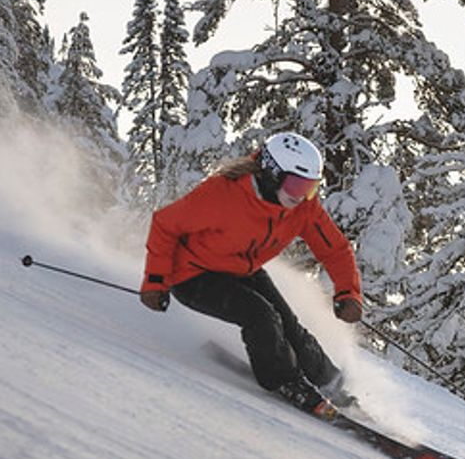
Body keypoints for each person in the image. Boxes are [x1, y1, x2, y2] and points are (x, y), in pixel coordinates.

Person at [139, 132, 363, 415]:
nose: (302, 195)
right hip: (193, 275)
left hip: (243, 270)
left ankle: (329, 383)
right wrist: (155, 281)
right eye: (296, 184)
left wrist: (348, 292)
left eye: (310, 186)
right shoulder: (221, 194)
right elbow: (165, 224)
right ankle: (284, 380)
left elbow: (335, 249)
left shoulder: (303, 208)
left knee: (289, 324)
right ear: (271, 174)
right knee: (260, 315)